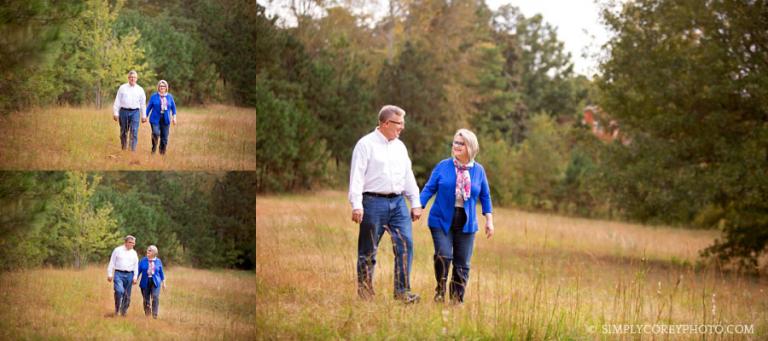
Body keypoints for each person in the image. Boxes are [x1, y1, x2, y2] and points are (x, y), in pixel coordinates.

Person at [349, 105, 422, 303]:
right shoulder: (365, 145)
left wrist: (415, 202)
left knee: (405, 244)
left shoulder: (400, 146)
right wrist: (357, 205)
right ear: (386, 123)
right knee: (368, 250)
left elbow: (408, 177)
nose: (402, 128)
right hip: (372, 202)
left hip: (398, 203)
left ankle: (402, 292)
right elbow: (356, 177)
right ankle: (365, 293)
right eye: (400, 124)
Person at [419, 129, 494, 304]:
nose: (456, 146)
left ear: (470, 147)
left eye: (461, 143)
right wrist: (419, 206)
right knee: (443, 255)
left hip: (466, 221)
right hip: (441, 218)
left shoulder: (478, 170)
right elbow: (429, 188)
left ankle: (456, 300)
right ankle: (440, 289)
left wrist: (489, 220)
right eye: (455, 142)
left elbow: (485, 196)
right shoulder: (443, 166)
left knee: (462, 263)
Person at [112, 70, 147, 151]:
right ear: (128, 78)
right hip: (123, 111)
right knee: (123, 131)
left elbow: (143, 104)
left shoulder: (140, 89)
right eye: (131, 77)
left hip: (135, 112)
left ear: (136, 79)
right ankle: (123, 148)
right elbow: (117, 101)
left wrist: (144, 115)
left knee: (134, 131)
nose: (132, 79)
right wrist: (115, 113)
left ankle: (132, 150)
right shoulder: (122, 88)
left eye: (134, 77)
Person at [107, 235, 139, 316]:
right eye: (130, 242)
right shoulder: (117, 250)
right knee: (119, 291)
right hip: (119, 273)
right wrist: (110, 274)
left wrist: (135, 277)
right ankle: (117, 309)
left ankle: (123, 312)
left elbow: (136, 266)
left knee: (127, 295)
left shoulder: (134, 253)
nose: (132, 244)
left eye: (133, 243)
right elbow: (112, 262)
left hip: (130, 275)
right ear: (126, 242)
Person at [145, 80, 177, 155]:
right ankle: (154, 148)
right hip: (155, 119)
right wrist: (145, 116)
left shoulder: (170, 97)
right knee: (156, 133)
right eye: (160, 86)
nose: (162, 87)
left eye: (163, 86)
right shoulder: (154, 96)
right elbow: (149, 107)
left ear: (166, 87)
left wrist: (174, 117)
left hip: (165, 119)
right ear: (158, 87)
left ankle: (162, 153)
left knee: (164, 137)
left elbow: (173, 108)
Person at [137, 245, 166, 319]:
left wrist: (163, 283)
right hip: (145, 281)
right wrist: (135, 279)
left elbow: (161, 273)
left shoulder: (158, 261)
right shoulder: (143, 260)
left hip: (155, 282)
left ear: (154, 253)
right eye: (147, 250)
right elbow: (138, 270)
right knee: (146, 299)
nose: (147, 251)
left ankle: (154, 315)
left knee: (155, 297)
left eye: (149, 250)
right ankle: (148, 314)